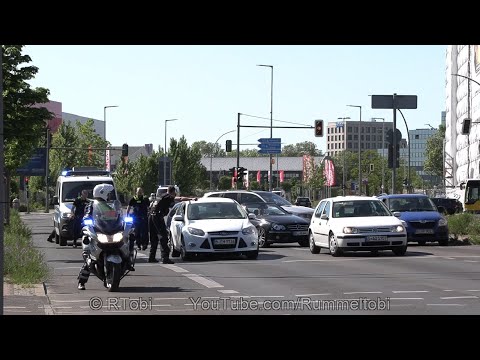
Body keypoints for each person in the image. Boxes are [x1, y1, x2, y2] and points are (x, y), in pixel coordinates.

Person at [77, 183, 133, 290]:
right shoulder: (92, 205)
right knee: (90, 257)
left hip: (112, 229)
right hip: (99, 230)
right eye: (108, 193)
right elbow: (87, 215)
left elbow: (118, 214)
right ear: (102, 193)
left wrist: (125, 220)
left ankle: (128, 260)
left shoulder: (112, 205)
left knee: (129, 238)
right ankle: (82, 281)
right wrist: (86, 221)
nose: (109, 196)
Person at [148, 185, 196, 264]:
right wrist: (192, 199)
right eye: (174, 193)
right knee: (163, 237)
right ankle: (165, 258)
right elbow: (180, 199)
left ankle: (151, 257)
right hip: (157, 217)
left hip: (151, 216)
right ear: (173, 192)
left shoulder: (160, 196)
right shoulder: (168, 197)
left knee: (154, 237)